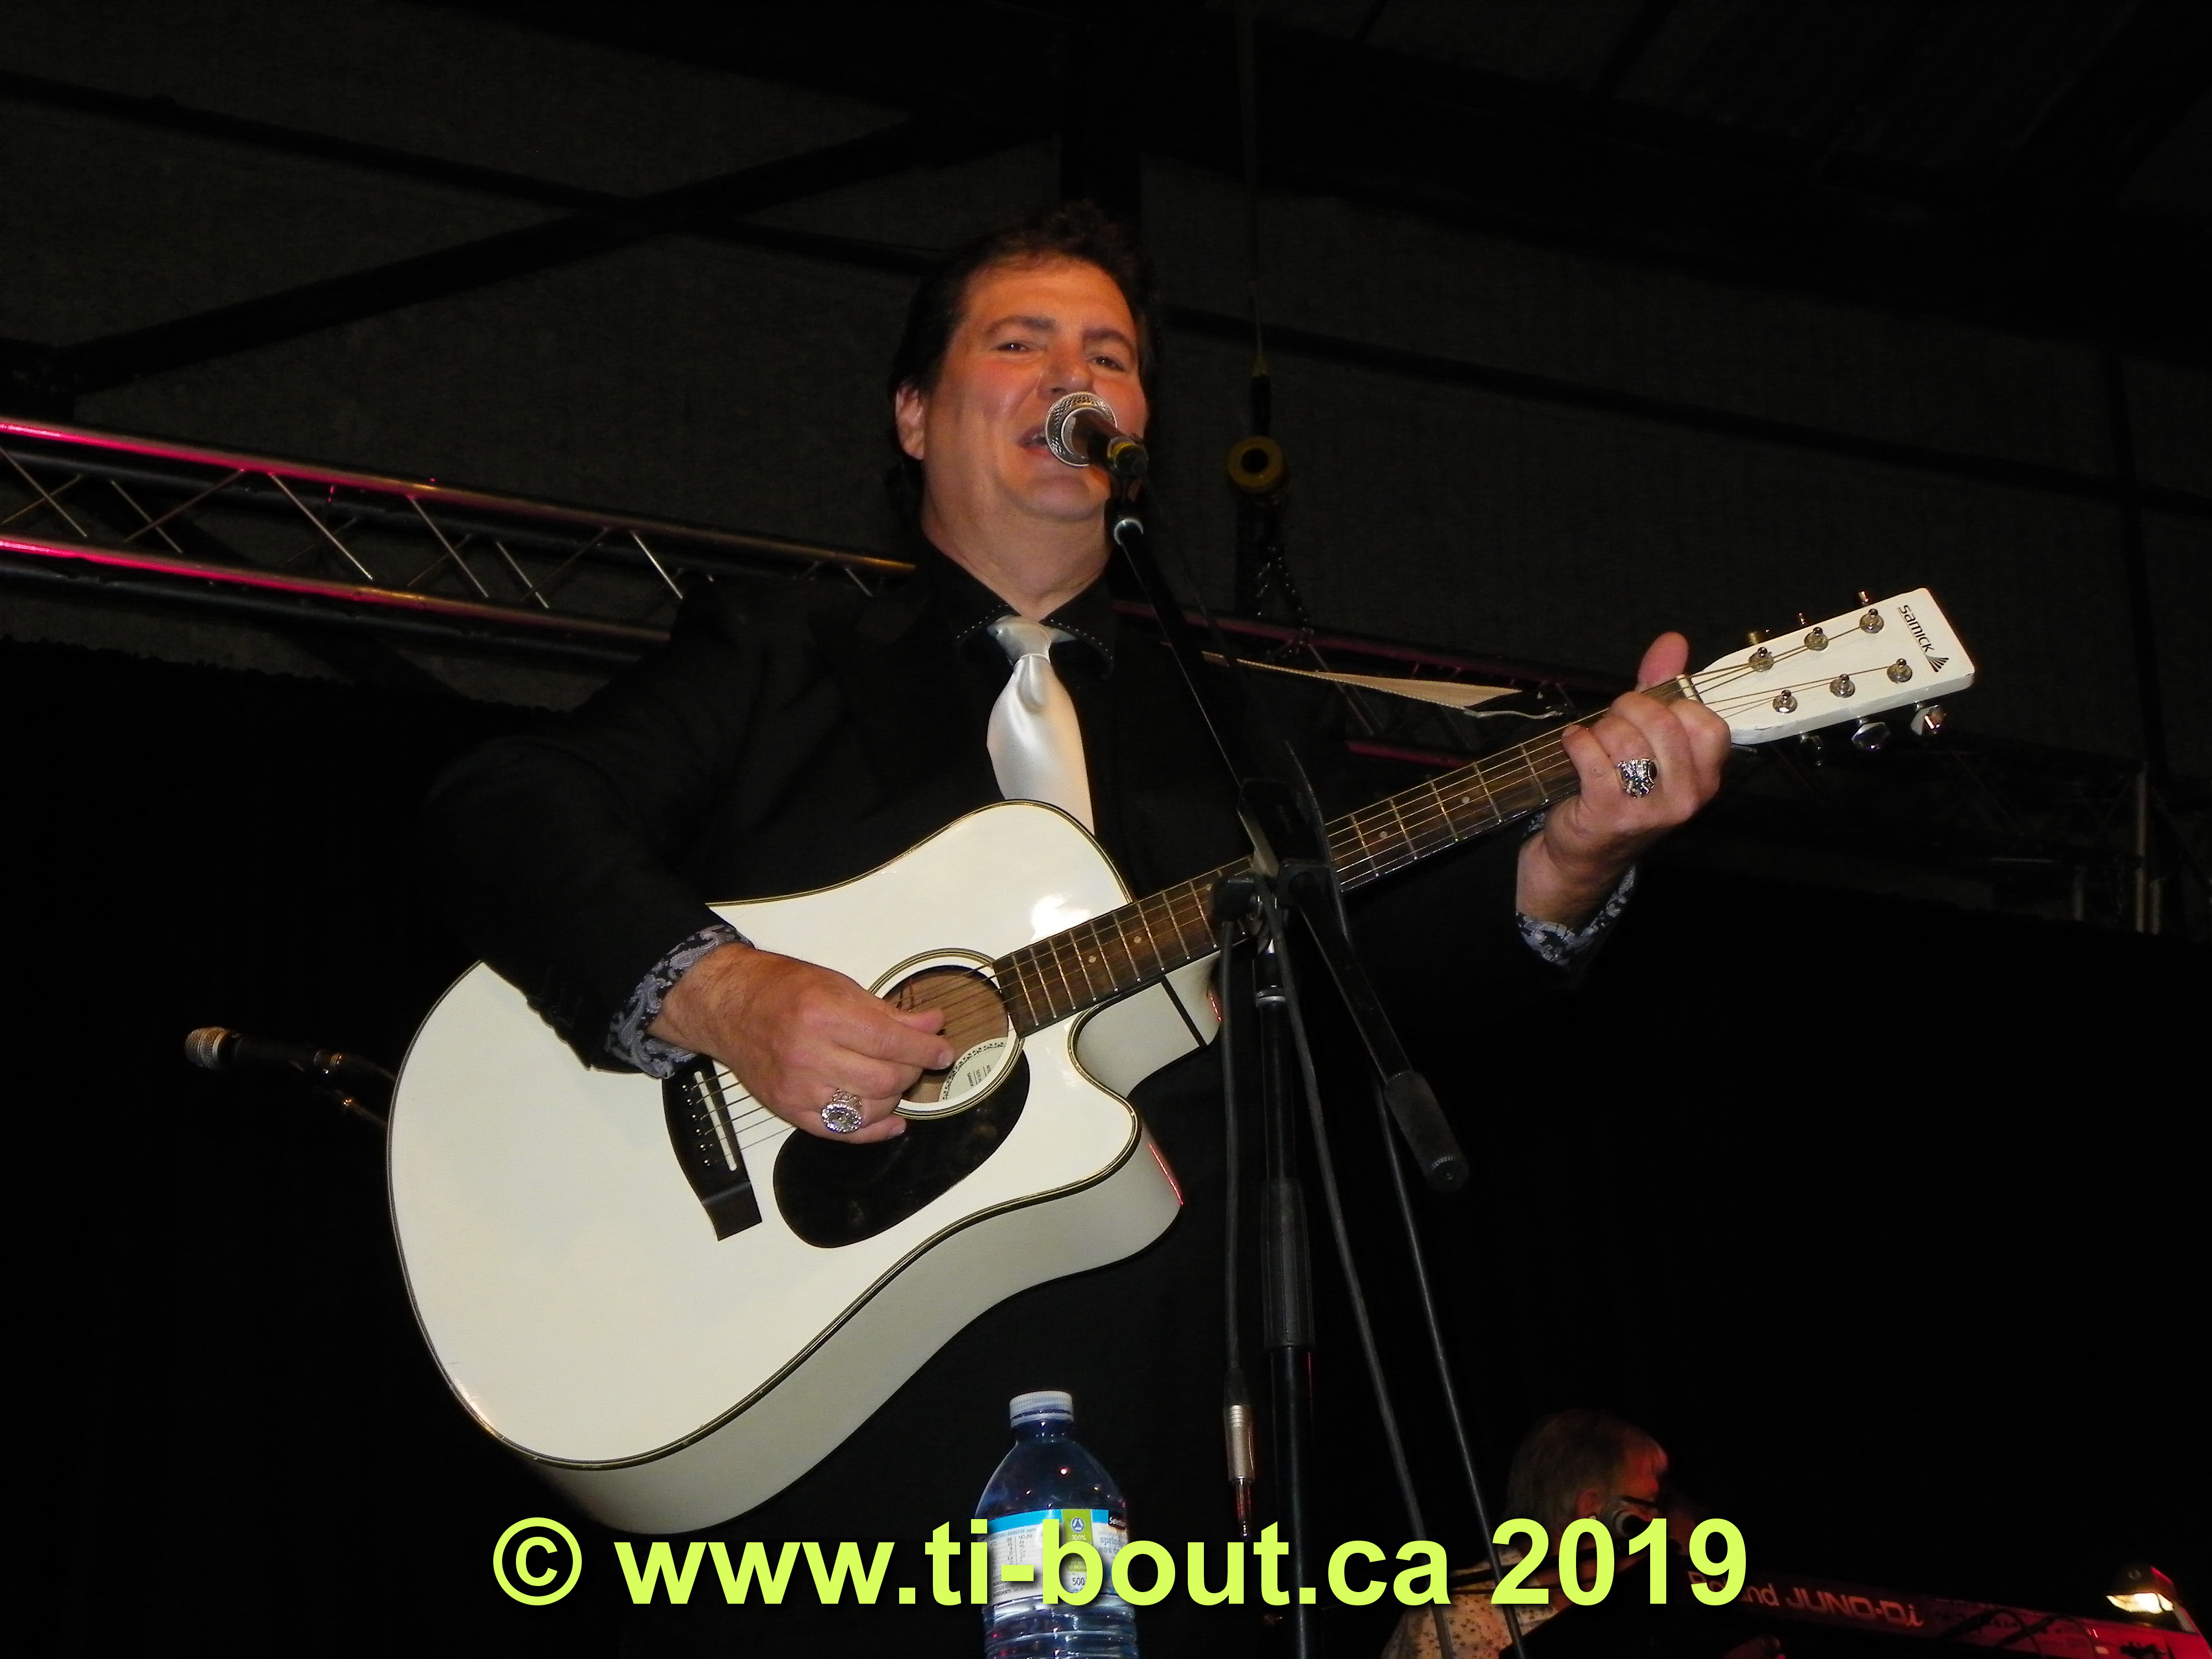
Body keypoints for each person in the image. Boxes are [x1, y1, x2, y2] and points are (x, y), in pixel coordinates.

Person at [422, 202, 1731, 1655]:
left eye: (1109, 357)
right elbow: (506, 810)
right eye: (1021, 342)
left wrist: (1572, 859)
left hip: (1163, 1456)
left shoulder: (1248, 731)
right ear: (914, 415)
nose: (1074, 376)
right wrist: (726, 994)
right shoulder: (783, 657)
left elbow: (1383, 974)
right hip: (834, 1457)